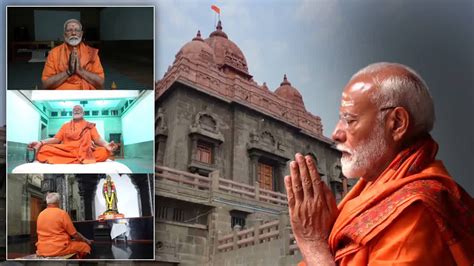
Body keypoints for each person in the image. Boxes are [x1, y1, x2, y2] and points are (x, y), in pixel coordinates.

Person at [285, 62, 474, 265]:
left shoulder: (415, 209)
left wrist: (313, 244)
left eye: (349, 120)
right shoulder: (369, 191)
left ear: (397, 123)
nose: (336, 133)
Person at [28, 105, 117, 164]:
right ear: (72, 113)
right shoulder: (65, 125)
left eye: (79, 109)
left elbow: (97, 139)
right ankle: (78, 159)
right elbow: (56, 139)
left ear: (83, 113)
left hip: (85, 152)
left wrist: (106, 144)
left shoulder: (89, 125)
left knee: (104, 151)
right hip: (67, 151)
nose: (76, 110)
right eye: (74, 110)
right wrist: (41, 142)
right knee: (44, 149)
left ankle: (68, 159)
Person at [41, 19, 104, 90]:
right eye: (69, 30)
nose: (73, 33)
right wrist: (68, 72)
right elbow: (45, 84)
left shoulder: (92, 53)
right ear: (64, 34)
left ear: (81, 34)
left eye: (77, 30)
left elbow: (100, 82)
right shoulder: (54, 53)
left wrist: (81, 71)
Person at [36, 192, 92, 258]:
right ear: (58, 202)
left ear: (47, 202)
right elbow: (74, 234)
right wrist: (85, 240)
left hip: (42, 249)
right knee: (85, 246)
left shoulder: (40, 215)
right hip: (58, 248)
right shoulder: (62, 213)